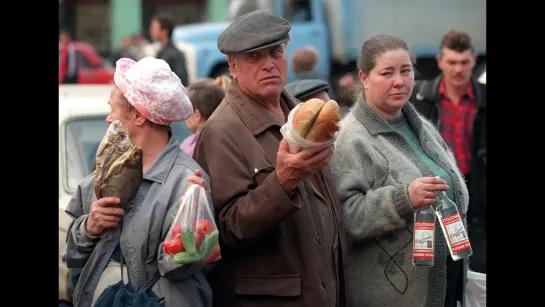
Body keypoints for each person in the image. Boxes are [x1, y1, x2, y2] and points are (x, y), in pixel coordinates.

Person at [193, 10, 347, 307]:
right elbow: (227, 231)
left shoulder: (302, 113)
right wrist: (282, 183)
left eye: (275, 52)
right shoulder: (221, 132)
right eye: (254, 57)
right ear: (232, 66)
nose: (269, 65)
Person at [328, 34, 469, 307]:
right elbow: (345, 218)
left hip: (447, 290)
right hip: (392, 297)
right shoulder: (349, 139)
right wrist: (404, 198)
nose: (399, 81)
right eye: (387, 72)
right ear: (364, 77)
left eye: (406, 71)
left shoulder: (423, 127)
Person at [64, 57, 213, 307]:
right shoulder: (102, 173)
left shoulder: (187, 183)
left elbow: (183, 270)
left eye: (113, 109)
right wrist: (89, 226)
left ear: (138, 115)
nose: (108, 118)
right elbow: (71, 256)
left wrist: (194, 224)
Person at [409, 29, 486, 304]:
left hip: (478, 201)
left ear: (474, 61)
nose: (458, 69)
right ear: (440, 61)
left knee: (477, 279)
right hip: (437, 198)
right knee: (441, 280)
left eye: (464, 62)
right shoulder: (419, 98)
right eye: (452, 62)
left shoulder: (482, 98)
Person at [180, 78, 225, 157]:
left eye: (186, 110)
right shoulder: (226, 139)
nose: (184, 115)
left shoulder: (191, 149)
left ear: (197, 115)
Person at [149, 13, 189, 85]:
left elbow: (182, 81)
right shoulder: (161, 52)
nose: (150, 31)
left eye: (154, 28)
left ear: (164, 31)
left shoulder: (175, 55)